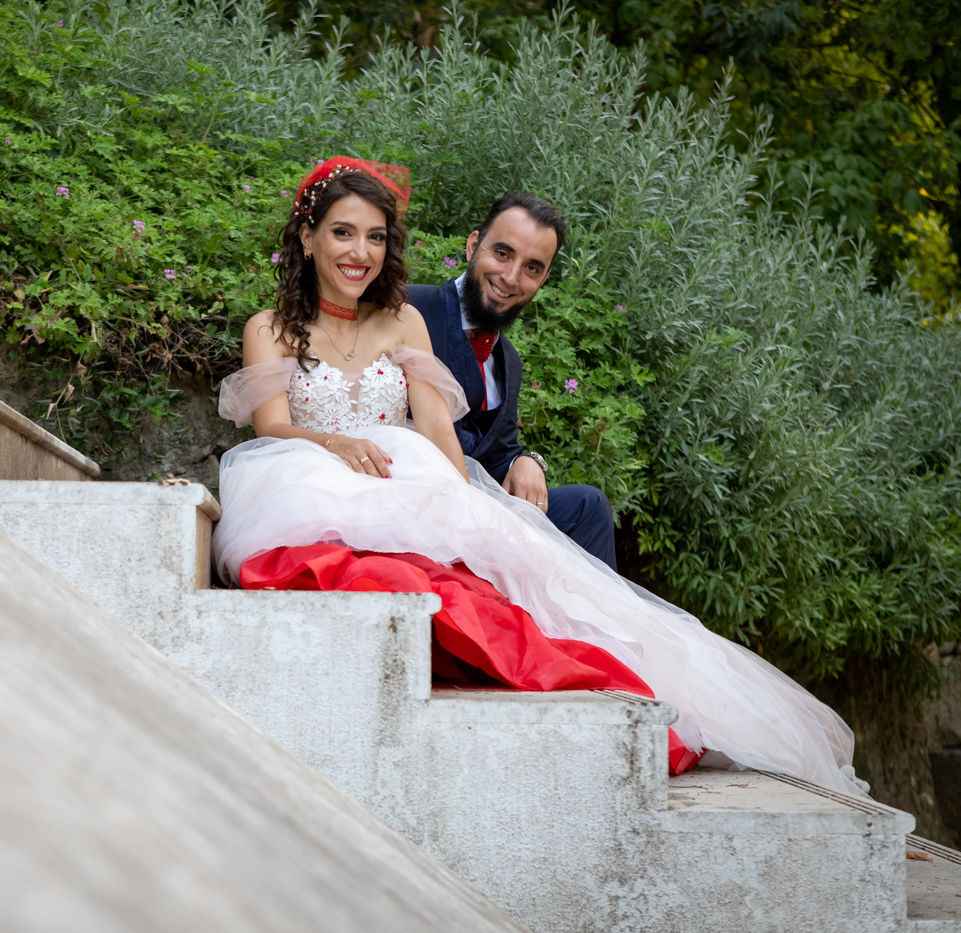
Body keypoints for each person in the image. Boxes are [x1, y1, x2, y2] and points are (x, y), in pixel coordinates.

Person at [211, 156, 867, 796]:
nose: (361, 252)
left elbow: (436, 425)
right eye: (343, 232)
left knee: (523, 567)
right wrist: (335, 442)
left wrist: (467, 506)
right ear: (308, 237)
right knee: (417, 587)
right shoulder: (270, 328)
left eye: (376, 237)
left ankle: (618, 681)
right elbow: (272, 427)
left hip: (402, 484)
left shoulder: (404, 319)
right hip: (314, 483)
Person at [407, 192, 616, 569]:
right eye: (502, 253)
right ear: (473, 245)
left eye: (532, 268)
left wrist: (527, 461)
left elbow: (497, 454)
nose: (511, 277)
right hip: (408, 504)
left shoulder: (509, 362)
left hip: (478, 512)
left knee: (588, 506)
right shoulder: (409, 308)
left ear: (544, 279)